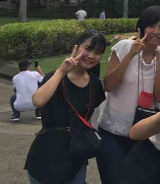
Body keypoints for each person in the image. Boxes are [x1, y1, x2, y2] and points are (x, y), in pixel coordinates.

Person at [97, 6, 160, 184]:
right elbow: (108, 85)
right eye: (152, 26)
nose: (156, 32)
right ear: (141, 27)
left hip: (143, 133)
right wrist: (131, 54)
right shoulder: (125, 46)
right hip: (113, 130)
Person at [24, 30, 107, 184]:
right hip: (46, 153)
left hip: (76, 154)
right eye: (88, 49)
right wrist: (62, 71)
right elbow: (38, 101)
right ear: (76, 48)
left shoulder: (94, 84)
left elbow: (86, 118)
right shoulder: (55, 77)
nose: (91, 56)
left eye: (97, 52)